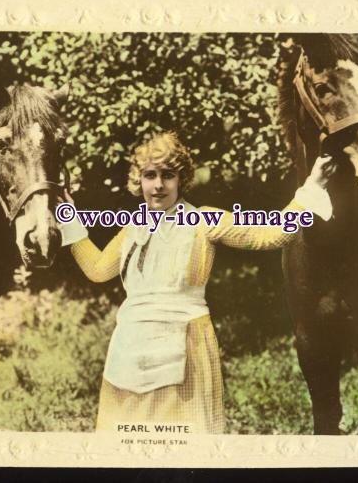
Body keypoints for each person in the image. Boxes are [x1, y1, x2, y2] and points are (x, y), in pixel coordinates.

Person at [59, 132, 332, 433]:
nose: (159, 185)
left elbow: (271, 234)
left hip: (186, 347)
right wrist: (68, 218)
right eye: (150, 175)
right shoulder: (131, 229)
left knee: (186, 447)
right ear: (139, 180)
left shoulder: (204, 222)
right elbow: (97, 270)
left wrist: (312, 187)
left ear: (182, 179)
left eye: (168, 175)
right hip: (129, 347)